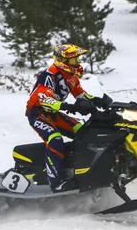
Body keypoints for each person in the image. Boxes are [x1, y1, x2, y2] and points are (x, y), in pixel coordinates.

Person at [25, 44, 112, 192]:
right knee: (55, 139)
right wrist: (68, 107)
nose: (76, 63)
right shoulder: (49, 75)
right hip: (38, 113)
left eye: (77, 59)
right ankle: (56, 182)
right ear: (62, 60)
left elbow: (81, 95)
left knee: (85, 131)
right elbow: (42, 98)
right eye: (73, 60)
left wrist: (97, 101)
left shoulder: (71, 77)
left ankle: (81, 169)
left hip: (54, 113)